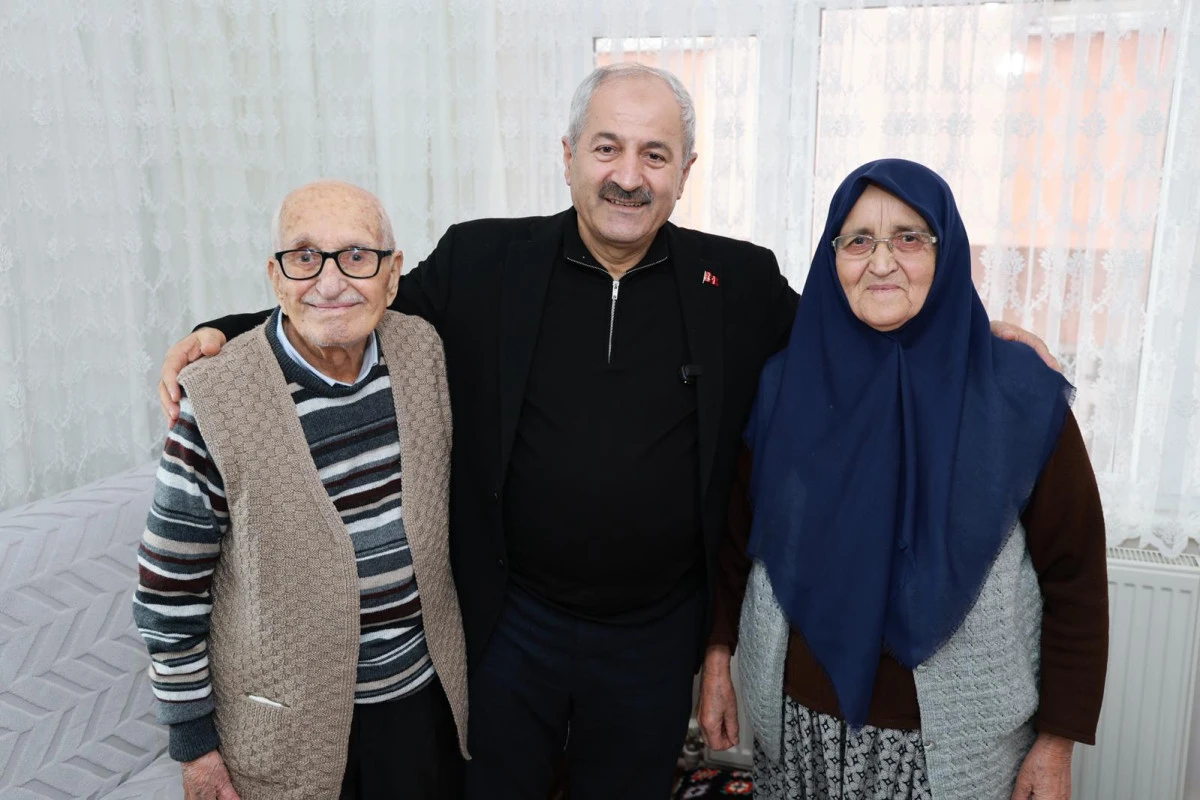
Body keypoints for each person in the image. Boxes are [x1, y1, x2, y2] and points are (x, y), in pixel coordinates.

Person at [155, 67, 1052, 799]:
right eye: (608, 147)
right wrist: (223, 333)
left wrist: (977, 336)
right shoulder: (481, 262)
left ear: (686, 170)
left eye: (655, 154)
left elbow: (849, 330)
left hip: (653, 637)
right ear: (569, 156)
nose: (630, 174)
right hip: (510, 625)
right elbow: (356, 306)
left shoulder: (737, 284)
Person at [697, 159, 1108, 800]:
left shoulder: (1016, 395)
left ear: (946, 253)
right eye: (858, 240)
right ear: (831, 257)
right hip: (800, 730)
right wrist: (718, 656)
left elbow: (1075, 577)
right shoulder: (784, 384)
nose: (882, 262)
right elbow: (737, 541)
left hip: (955, 750)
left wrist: (1057, 741)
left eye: (909, 238)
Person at [133, 180, 468, 800]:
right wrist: (194, 747)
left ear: (393, 275)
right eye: (305, 256)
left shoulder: (424, 352)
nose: (330, 282)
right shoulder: (216, 399)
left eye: (357, 256)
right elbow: (168, 593)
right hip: (286, 733)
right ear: (276, 276)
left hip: (424, 707)